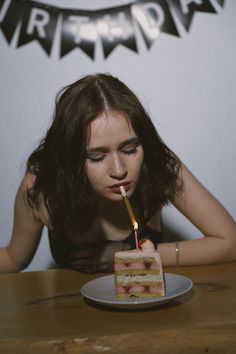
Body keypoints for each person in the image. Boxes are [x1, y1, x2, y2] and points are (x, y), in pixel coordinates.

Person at [0, 73, 236, 273]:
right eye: (97, 157)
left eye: (130, 149)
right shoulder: (42, 186)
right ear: (69, 158)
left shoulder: (158, 164)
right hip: (71, 319)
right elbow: (13, 258)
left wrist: (130, 256)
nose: (119, 170)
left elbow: (230, 242)